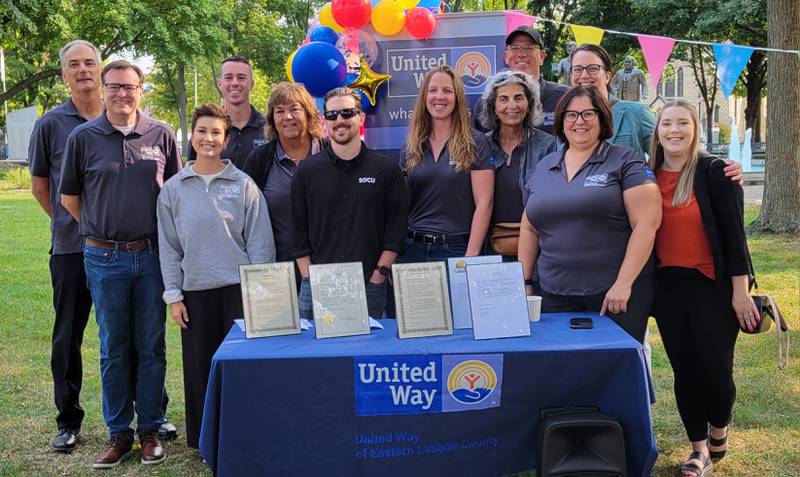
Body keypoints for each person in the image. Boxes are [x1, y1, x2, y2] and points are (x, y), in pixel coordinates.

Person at [60, 59, 182, 468]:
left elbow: (174, 196)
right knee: (113, 348)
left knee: (151, 346)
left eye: (129, 87)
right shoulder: (83, 137)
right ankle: (119, 434)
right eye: (113, 86)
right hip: (103, 258)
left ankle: (150, 429)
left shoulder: (161, 134)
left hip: (150, 257)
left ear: (140, 90)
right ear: (104, 88)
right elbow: (69, 198)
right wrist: (101, 230)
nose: (121, 94)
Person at [648, 101, 757, 477]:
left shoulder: (716, 172)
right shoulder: (645, 176)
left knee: (715, 371)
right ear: (657, 131)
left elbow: (734, 237)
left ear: (695, 129)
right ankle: (699, 451)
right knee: (685, 371)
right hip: (668, 288)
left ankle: (719, 429)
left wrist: (740, 293)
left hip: (713, 286)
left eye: (682, 123)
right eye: (667, 123)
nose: (674, 130)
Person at [158, 104, 275, 448]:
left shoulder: (243, 185)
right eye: (202, 131)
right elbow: (169, 248)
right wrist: (173, 296)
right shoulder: (173, 189)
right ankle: (202, 440)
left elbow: (259, 243)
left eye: (216, 133)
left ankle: (240, 434)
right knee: (199, 371)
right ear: (191, 136)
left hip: (238, 291)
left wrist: (259, 294)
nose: (208, 138)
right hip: (195, 292)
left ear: (225, 140)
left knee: (240, 368)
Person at [518, 85, 662, 343]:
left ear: (602, 118)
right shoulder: (544, 166)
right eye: (571, 115)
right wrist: (526, 282)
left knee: (614, 373)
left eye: (588, 114)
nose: (579, 122)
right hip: (554, 295)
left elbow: (646, 225)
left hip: (614, 296)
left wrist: (624, 283)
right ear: (561, 122)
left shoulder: (625, 161)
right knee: (561, 372)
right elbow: (529, 227)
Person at [28, 39, 103, 453]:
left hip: (117, 250)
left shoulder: (120, 117)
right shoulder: (50, 124)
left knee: (125, 335)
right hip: (71, 251)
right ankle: (68, 420)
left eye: (89, 63)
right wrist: (71, 222)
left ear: (100, 68)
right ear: (64, 74)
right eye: (73, 64)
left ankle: (142, 416)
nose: (82, 70)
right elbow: (42, 188)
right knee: (67, 338)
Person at [292, 87, 408, 320]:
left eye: (347, 113)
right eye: (332, 115)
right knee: (315, 355)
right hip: (318, 284)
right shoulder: (306, 171)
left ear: (361, 118)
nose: (340, 121)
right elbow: (298, 232)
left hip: (370, 284)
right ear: (325, 121)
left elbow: (396, 229)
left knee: (368, 354)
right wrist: (310, 278)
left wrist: (379, 275)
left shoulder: (386, 169)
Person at [400, 65, 494, 262]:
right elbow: (402, 205)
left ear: (457, 98)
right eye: (433, 90)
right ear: (424, 97)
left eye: (447, 91)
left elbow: (485, 203)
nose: (439, 96)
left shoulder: (475, 142)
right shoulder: (412, 144)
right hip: (412, 249)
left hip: (456, 250)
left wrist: (471, 255)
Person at [241, 82, 326, 264]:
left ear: (308, 113)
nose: (287, 117)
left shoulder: (330, 154)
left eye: (294, 109)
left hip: (329, 267)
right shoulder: (260, 160)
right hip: (278, 269)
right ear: (272, 119)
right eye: (279, 111)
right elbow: (245, 217)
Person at [478, 70, 558, 257]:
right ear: (493, 107)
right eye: (504, 99)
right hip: (488, 249)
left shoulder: (548, 146)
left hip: (538, 247)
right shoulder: (480, 146)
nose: (512, 105)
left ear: (529, 104)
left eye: (519, 98)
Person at [472, 25, 569, 135]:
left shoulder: (564, 97)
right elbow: (475, 145)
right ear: (506, 57)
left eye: (528, 48)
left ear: (541, 57)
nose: (521, 54)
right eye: (514, 48)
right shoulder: (485, 103)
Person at [569, 44, 655, 154]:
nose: (584, 75)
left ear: (607, 76)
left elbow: (664, 160)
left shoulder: (637, 113)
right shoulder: (566, 120)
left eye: (593, 69)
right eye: (577, 69)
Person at [187, 56, 266, 168]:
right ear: (220, 84)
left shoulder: (269, 128)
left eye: (241, 77)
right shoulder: (205, 130)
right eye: (228, 77)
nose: (235, 83)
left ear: (251, 84)